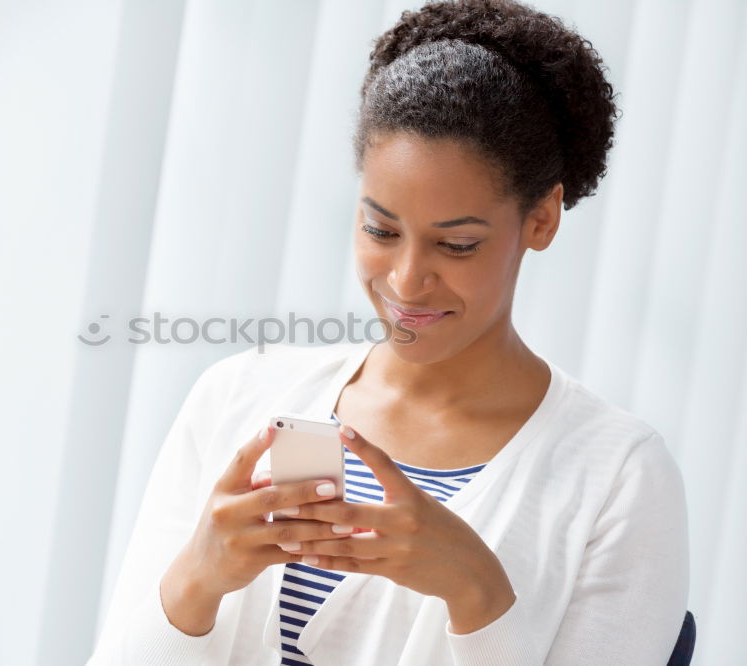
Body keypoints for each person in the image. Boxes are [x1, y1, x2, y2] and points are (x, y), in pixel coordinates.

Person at [88, 0, 690, 663]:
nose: (405, 281)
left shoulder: (616, 477)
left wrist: (478, 592)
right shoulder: (240, 396)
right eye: (380, 230)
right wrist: (196, 582)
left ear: (541, 219)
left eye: (456, 245)